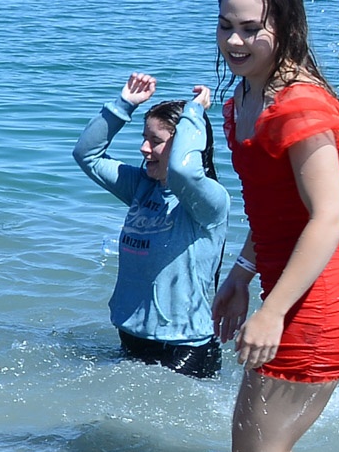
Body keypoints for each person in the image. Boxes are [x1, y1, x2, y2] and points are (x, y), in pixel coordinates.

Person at [210, 0, 339, 452]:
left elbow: (328, 217)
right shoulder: (244, 100)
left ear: (285, 27)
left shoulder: (299, 103)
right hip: (292, 290)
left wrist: (273, 312)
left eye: (251, 29)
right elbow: (276, 212)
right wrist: (241, 275)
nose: (235, 41)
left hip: (318, 302)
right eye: (226, 26)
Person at [73, 73, 230, 377]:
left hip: (187, 345)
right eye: (144, 138)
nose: (144, 148)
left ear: (183, 145)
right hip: (132, 335)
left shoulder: (210, 201)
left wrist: (194, 113)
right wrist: (124, 104)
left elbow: (184, 173)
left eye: (156, 141)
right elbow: (86, 155)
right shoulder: (142, 186)